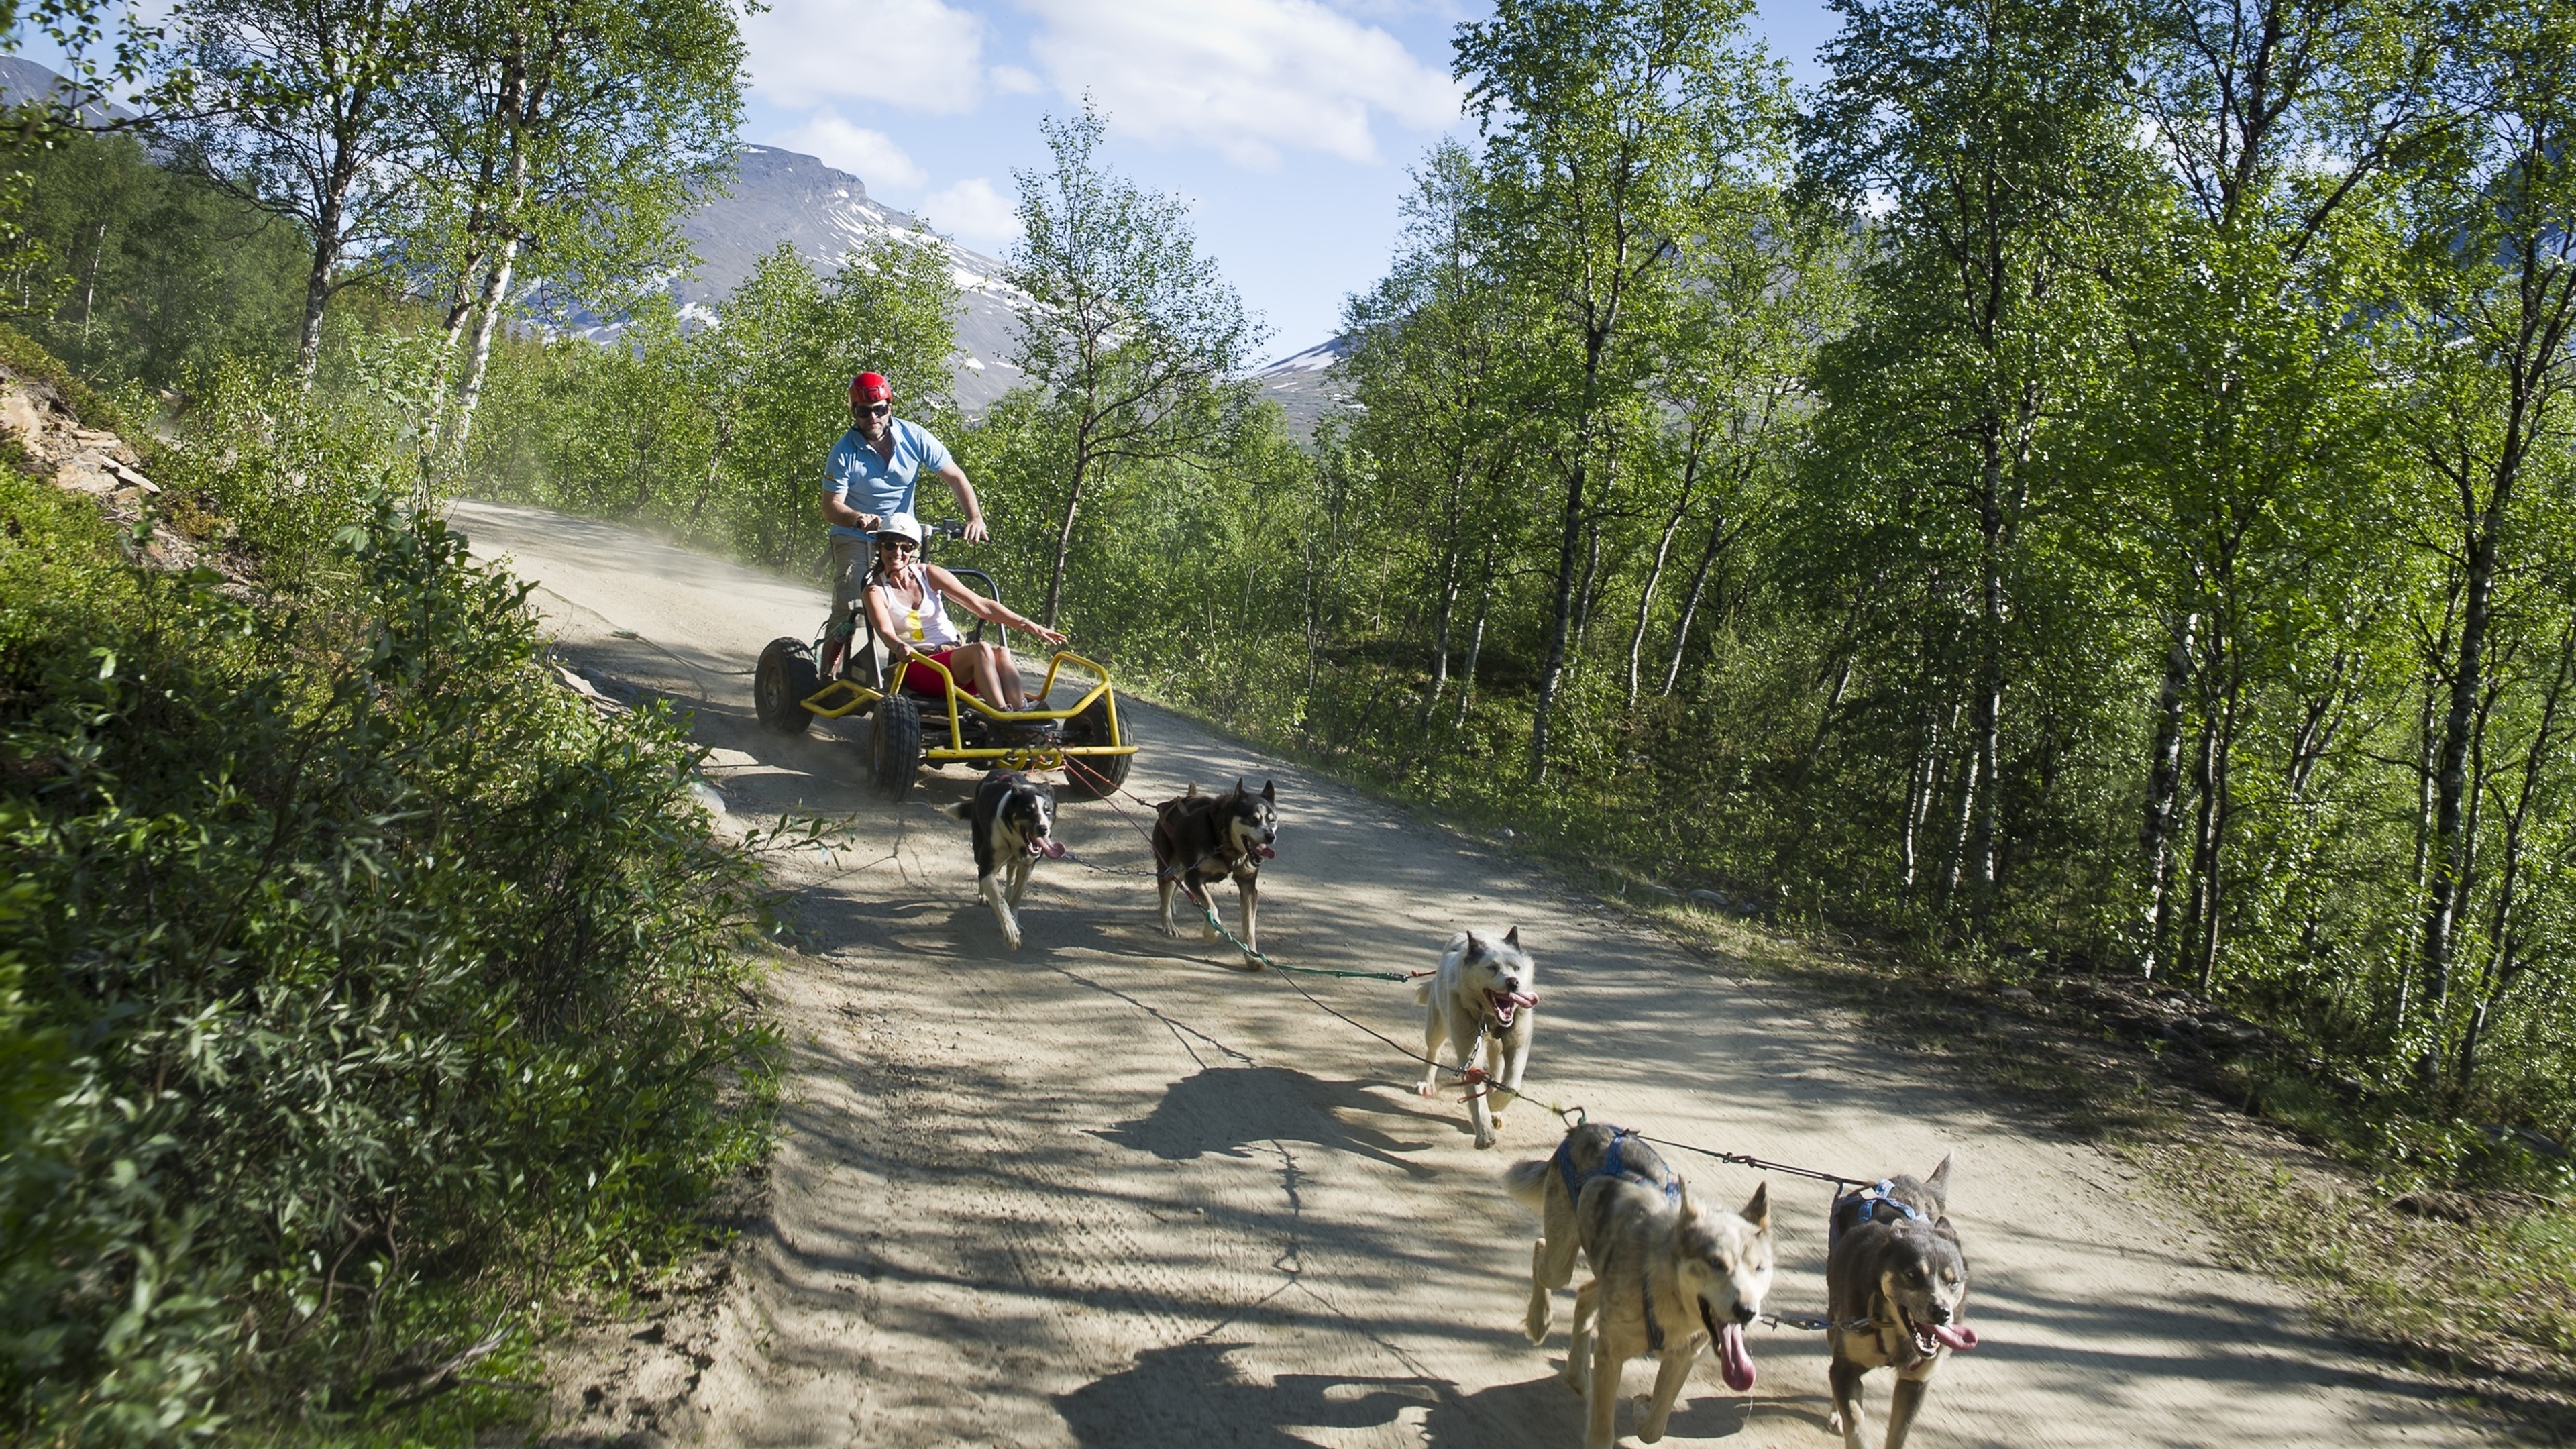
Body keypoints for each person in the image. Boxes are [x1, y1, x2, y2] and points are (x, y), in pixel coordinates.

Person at [822, 371, 987, 673]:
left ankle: (907, 673)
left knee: (915, 604)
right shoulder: (844, 451)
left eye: (879, 409)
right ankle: (828, 674)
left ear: (890, 407)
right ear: (854, 413)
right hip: (856, 536)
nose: (872, 417)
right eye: (864, 411)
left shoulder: (915, 437)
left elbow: (956, 477)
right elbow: (831, 508)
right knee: (853, 606)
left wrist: (974, 518)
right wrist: (858, 518)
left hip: (900, 538)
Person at [862, 513, 1065, 709]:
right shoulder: (876, 591)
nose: (897, 553)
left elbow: (982, 605)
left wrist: (1026, 624)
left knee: (1002, 653)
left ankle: (1021, 715)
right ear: (880, 546)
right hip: (919, 665)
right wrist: (899, 647)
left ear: (914, 550)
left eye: (905, 547)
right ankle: (1003, 715)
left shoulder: (928, 574)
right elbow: (885, 632)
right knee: (981, 649)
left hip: (955, 659)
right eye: (890, 545)